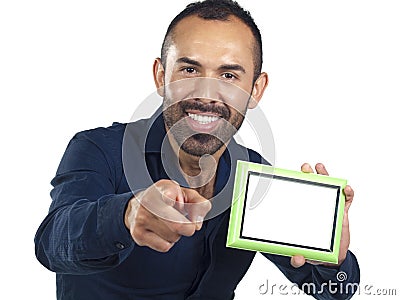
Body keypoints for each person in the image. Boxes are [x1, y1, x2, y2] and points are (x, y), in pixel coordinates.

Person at [34, 0, 360, 299]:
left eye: (229, 75)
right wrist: (126, 215)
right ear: (161, 76)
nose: (206, 93)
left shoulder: (256, 178)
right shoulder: (98, 149)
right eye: (189, 70)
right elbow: (51, 244)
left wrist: (334, 261)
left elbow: (333, 292)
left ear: (255, 90)